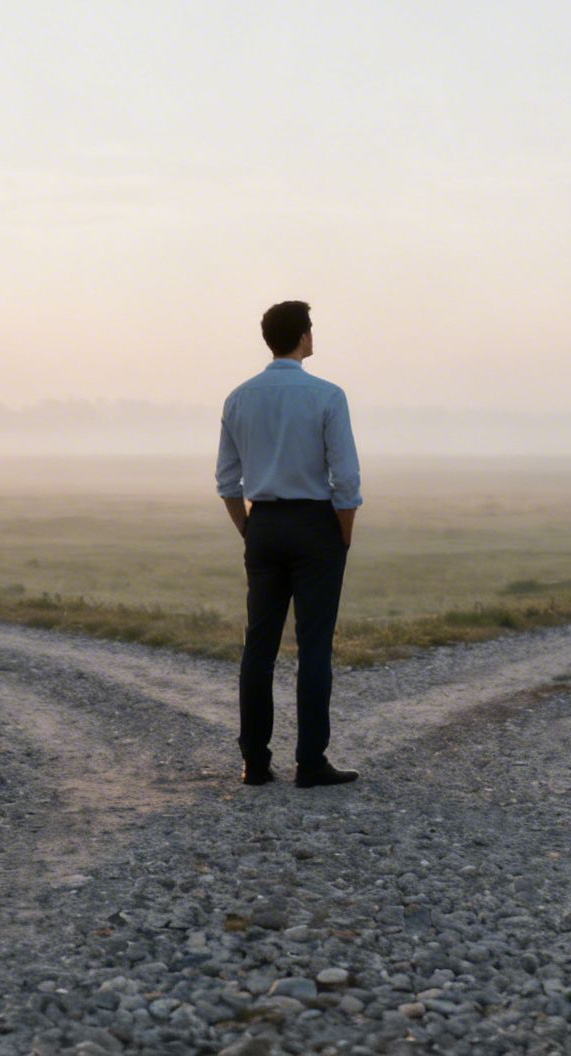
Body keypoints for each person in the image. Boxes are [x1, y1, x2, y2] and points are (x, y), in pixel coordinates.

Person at [215, 300, 362, 788]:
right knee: (314, 647)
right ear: (302, 337)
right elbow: (346, 477)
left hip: (264, 524)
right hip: (316, 525)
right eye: (312, 329)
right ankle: (310, 761)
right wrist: (342, 535)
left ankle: (254, 761)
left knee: (259, 645)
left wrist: (249, 529)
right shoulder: (327, 395)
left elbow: (227, 481)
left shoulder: (239, 397)